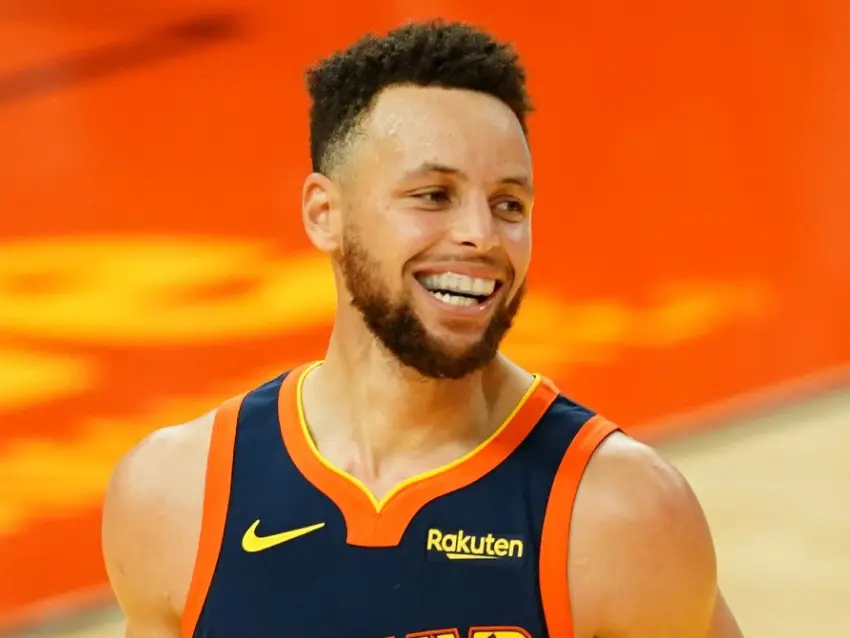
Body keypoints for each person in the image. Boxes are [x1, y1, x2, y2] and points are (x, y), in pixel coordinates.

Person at [102, 20, 745, 638]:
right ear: (325, 213)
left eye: (509, 204)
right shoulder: (177, 497)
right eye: (434, 195)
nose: (481, 235)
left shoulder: (620, 515)